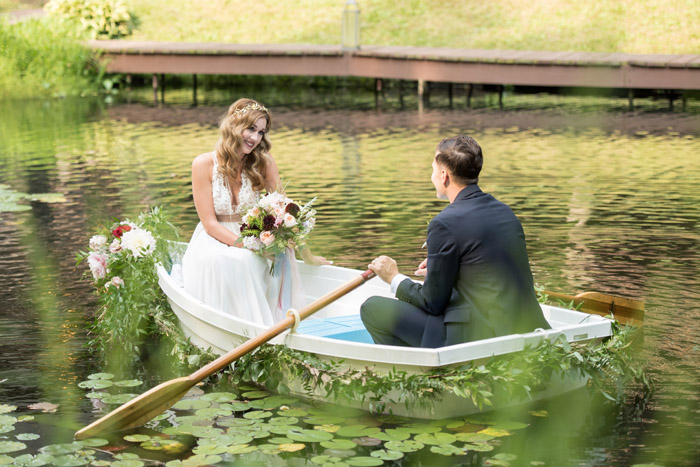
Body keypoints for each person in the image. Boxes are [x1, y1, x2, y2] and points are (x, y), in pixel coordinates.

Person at [360, 135, 550, 348]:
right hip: (525, 324)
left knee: (372, 308)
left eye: (432, 169)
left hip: (480, 336)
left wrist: (393, 278)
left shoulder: (443, 223)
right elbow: (485, 266)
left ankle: (424, 372)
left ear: (444, 175)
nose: (431, 176)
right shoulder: (504, 211)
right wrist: (445, 267)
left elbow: (432, 302)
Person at [182, 98, 327, 326]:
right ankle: (236, 328)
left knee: (260, 260)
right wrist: (246, 245)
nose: (255, 138)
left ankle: (264, 329)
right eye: (251, 129)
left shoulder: (263, 163)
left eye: (261, 132)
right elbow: (209, 223)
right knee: (235, 261)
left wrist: (306, 254)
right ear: (233, 125)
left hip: (252, 233)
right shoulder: (202, 164)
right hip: (215, 236)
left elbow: (285, 214)